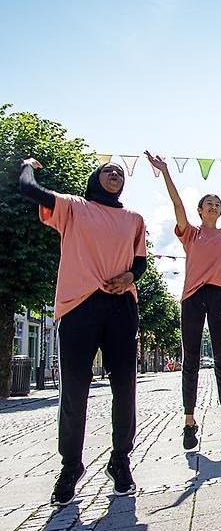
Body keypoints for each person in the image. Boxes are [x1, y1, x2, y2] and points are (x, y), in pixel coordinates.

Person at [19, 158, 145, 505]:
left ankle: (120, 461)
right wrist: (29, 165)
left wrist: (131, 277)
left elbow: (140, 261)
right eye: (108, 170)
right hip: (78, 307)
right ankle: (71, 466)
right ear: (95, 178)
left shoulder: (133, 219)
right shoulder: (74, 207)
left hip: (121, 307)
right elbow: (29, 190)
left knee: (125, 388)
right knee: (74, 391)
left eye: (120, 172)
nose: (115, 174)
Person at [147, 151, 221, 449]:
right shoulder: (190, 233)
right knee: (189, 359)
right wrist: (165, 171)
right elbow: (177, 204)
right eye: (209, 203)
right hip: (192, 297)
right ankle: (189, 422)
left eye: (218, 203)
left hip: (219, 296)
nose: (214, 206)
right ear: (201, 210)